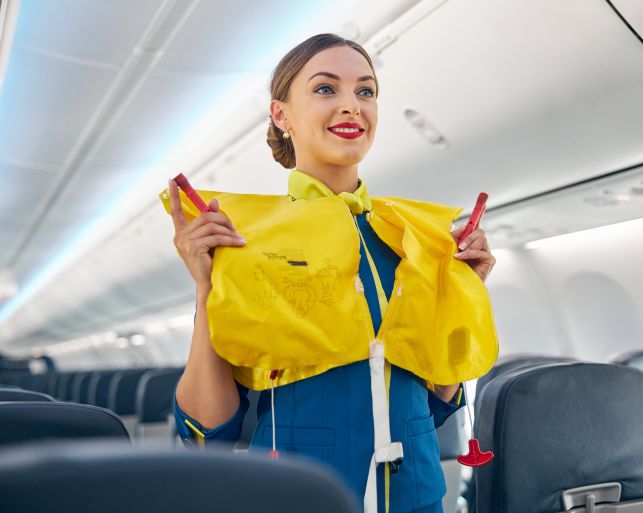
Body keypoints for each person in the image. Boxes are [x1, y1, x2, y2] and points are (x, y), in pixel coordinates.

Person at [166, 33, 496, 513]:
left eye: (366, 91)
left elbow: (432, 406)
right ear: (281, 115)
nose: (351, 106)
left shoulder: (412, 237)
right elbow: (207, 429)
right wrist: (206, 289)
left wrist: (461, 292)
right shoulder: (247, 241)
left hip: (416, 496)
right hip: (298, 497)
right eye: (325, 89)